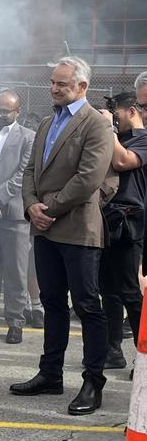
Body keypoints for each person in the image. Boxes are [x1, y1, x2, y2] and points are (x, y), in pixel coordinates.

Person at [10, 56, 115, 416]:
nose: (54, 89)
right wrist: (30, 206)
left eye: (62, 84)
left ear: (82, 87)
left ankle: (92, 381)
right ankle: (50, 373)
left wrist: (48, 210)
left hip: (76, 229)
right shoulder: (45, 123)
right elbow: (29, 171)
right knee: (53, 303)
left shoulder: (96, 125)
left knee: (86, 305)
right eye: (53, 82)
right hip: (45, 227)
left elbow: (89, 179)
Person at [0, 90, 35, 344]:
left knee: (15, 271)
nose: (0, 114)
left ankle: (15, 322)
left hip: (13, 214)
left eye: (6, 110)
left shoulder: (28, 138)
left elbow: (23, 173)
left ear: (18, 111)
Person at [98, 92, 147, 372]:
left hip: (129, 223)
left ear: (132, 112)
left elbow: (122, 162)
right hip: (105, 220)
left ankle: (143, 358)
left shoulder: (143, 138)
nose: (112, 120)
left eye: (116, 114)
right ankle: (112, 349)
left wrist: (108, 130)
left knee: (130, 291)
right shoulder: (115, 136)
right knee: (108, 291)